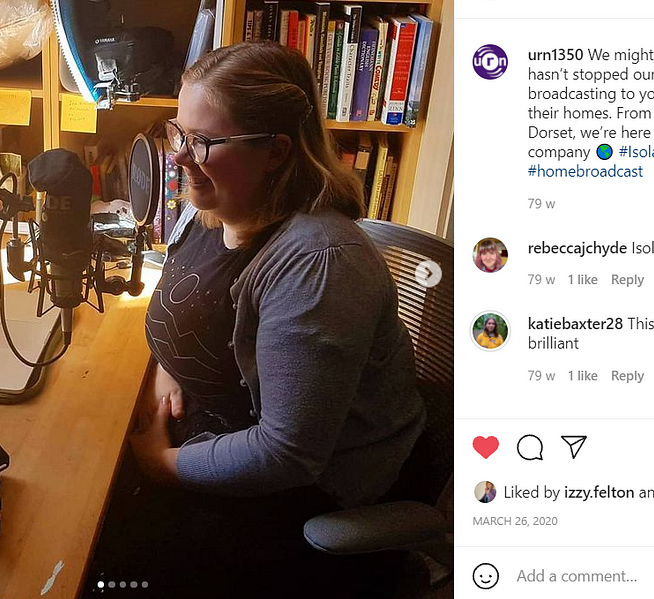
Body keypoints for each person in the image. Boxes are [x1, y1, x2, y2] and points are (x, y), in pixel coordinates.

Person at [87, 41, 426, 598]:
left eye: (204, 141)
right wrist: (168, 366)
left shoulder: (318, 267)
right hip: (207, 444)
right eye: (179, 132)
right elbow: (186, 311)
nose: (177, 156)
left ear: (275, 152)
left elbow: (286, 453)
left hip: (300, 504)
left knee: (100, 569)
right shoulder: (215, 206)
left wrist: (160, 464)